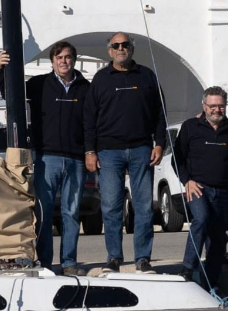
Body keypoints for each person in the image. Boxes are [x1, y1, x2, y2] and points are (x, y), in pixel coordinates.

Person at [0, 41, 90, 276]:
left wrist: (90, 151)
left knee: (71, 213)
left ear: (74, 60)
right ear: (52, 61)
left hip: (76, 160)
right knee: (44, 213)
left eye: (67, 57)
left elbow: (91, 124)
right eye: (59, 57)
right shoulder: (39, 84)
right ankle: (45, 262)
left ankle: (68, 262)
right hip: (48, 158)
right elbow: (11, 94)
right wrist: (0, 70)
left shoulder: (86, 88)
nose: (63, 61)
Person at [83, 32, 165, 274]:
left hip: (141, 149)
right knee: (110, 206)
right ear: (109, 51)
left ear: (132, 48)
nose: (121, 49)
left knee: (143, 206)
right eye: (116, 45)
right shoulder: (100, 79)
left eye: (125, 45)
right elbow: (89, 118)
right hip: (108, 152)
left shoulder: (147, 76)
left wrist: (159, 143)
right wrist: (90, 151)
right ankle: (113, 259)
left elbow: (160, 113)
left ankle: (142, 259)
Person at [173, 87, 228, 289]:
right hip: (197, 188)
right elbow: (177, 158)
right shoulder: (190, 127)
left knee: (217, 239)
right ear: (204, 106)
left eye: (220, 106)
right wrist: (187, 180)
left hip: (222, 191)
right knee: (201, 219)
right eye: (212, 106)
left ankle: (211, 283)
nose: (217, 110)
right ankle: (188, 268)